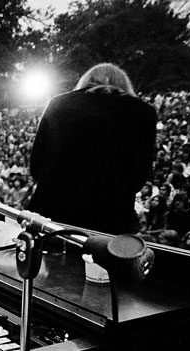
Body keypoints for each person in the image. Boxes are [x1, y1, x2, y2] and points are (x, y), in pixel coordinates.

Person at [25, 63, 156, 234]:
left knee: (45, 258)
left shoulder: (58, 103)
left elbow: (36, 164)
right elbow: (141, 173)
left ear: (86, 81)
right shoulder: (144, 112)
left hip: (54, 209)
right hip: (110, 215)